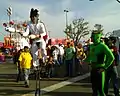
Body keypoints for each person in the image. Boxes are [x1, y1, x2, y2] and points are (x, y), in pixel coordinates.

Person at [84, 29, 114, 96]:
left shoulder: (102, 46)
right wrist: (85, 61)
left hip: (100, 70)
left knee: (101, 90)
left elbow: (111, 57)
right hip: (93, 69)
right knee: (94, 90)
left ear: (97, 37)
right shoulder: (91, 46)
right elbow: (89, 57)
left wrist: (105, 67)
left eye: (93, 36)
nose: (91, 38)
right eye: (91, 36)